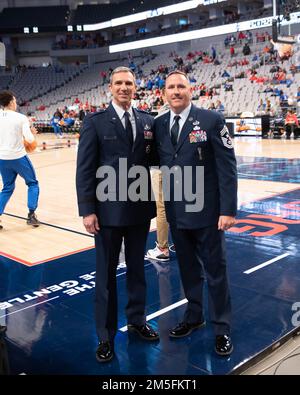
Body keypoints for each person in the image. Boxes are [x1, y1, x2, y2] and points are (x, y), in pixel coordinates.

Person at [76, 67, 159, 363]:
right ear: (109, 87)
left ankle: (137, 320)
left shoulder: (149, 121)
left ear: (136, 87)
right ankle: (105, 336)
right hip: (107, 212)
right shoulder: (95, 122)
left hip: (139, 210)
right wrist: (87, 210)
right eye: (119, 83)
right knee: (106, 276)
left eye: (129, 83)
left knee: (138, 270)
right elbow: (84, 169)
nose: (124, 87)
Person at [154, 71, 237, 356]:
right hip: (177, 214)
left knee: (215, 272)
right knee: (188, 271)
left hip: (208, 213)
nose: (176, 91)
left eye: (181, 87)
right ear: (163, 93)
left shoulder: (212, 120)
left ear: (192, 90)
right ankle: (194, 316)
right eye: (171, 87)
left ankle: (222, 328)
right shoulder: (159, 123)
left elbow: (227, 166)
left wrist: (227, 209)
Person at [0, 90, 40, 229]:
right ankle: (31, 215)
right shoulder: (21, 118)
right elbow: (29, 139)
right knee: (32, 183)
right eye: (15, 101)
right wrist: (32, 134)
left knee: (7, 188)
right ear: (11, 102)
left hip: (2, 159)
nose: (16, 103)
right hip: (18, 157)